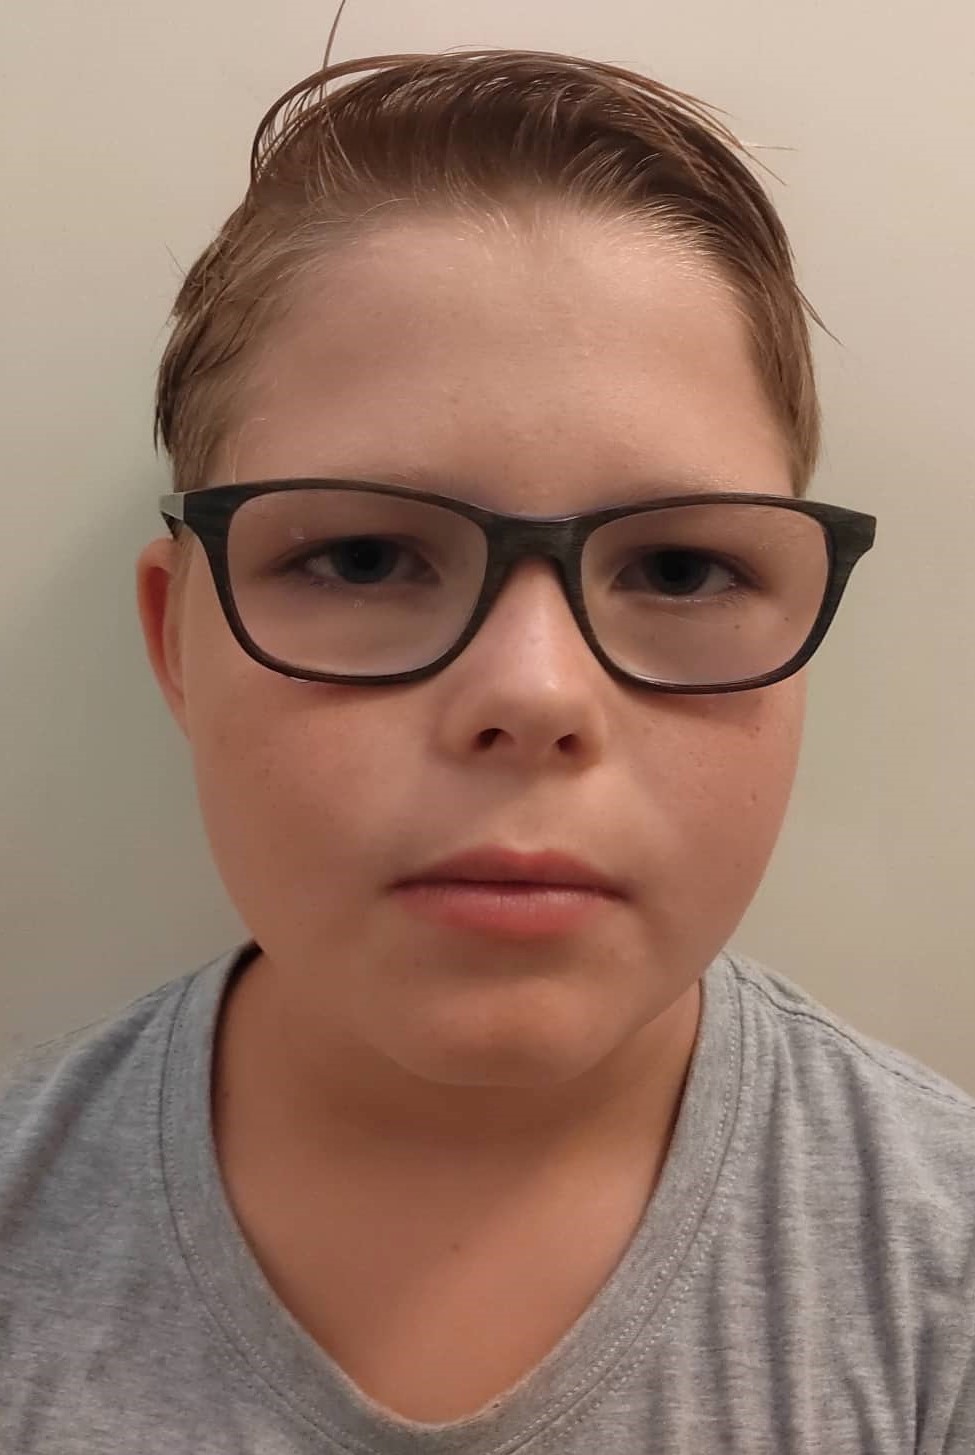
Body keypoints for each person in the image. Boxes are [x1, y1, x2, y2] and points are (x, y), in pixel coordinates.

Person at [1, 31, 972, 1455]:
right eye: (363, 557)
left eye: (681, 569)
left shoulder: (941, 1289)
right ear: (177, 643)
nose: (535, 691)